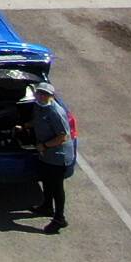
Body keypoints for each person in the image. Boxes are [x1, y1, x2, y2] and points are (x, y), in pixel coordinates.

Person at [24, 84, 77, 232]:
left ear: (51, 96)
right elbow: (38, 120)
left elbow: (62, 137)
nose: (42, 96)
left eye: (45, 94)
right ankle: (47, 206)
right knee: (47, 181)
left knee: (56, 187)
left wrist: (44, 146)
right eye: (40, 93)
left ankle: (59, 219)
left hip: (58, 157)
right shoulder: (39, 106)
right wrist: (26, 126)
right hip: (47, 155)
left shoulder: (55, 112)